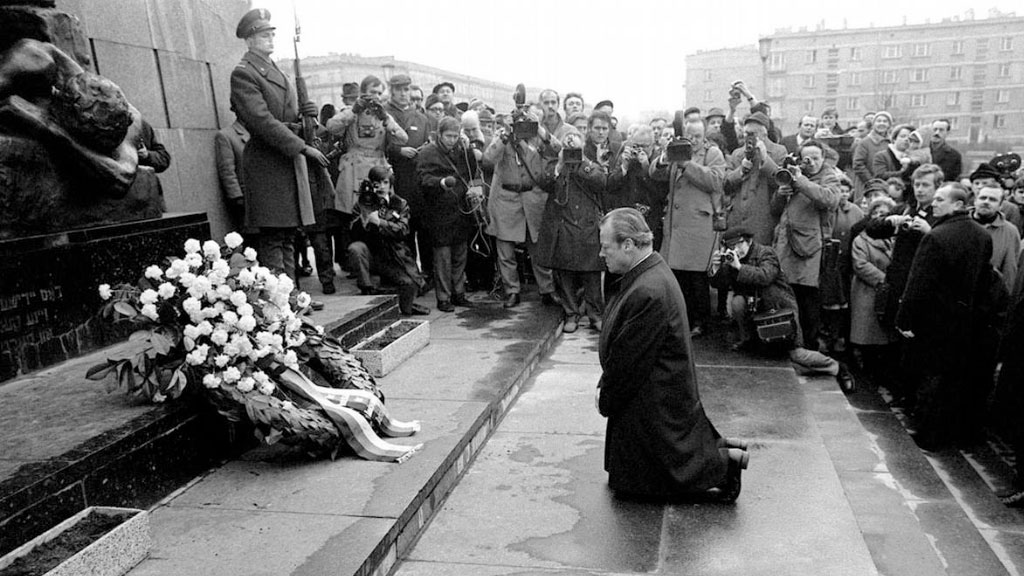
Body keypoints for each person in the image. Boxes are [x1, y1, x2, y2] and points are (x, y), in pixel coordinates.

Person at [597, 207, 748, 502]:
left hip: (654, 397)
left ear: (628, 245)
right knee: (629, 481)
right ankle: (721, 449)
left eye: (606, 247)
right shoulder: (650, 272)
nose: (602, 254)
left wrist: (606, 396)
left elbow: (629, 364)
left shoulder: (647, 290)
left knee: (653, 480)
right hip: (655, 390)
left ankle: (724, 465)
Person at [229, 8, 327, 281]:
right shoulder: (244, 73)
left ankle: (291, 295)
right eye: (263, 35)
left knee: (288, 234)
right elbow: (261, 121)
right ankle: (281, 302)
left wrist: (306, 112)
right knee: (273, 236)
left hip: (284, 160)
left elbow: (286, 113)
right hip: (268, 162)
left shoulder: (275, 71)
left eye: (271, 33)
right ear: (249, 40)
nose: (270, 38)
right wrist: (301, 146)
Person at [896, 182, 993, 451]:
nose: (935, 203)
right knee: (955, 379)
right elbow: (983, 281)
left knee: (932, 378)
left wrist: (904, 319)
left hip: (934, 320)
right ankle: (953, 433)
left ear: (958, 205)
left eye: (941, 199)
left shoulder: (937, 236)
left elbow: (918, 282)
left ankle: (929, 434)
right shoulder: (982, 235)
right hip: (966, 319)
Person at [709, 226, 852, 389]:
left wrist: (740, 268)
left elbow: (765, 276)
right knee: (737, 302)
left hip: (780, 312)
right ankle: (747, 340)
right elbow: (719, 284)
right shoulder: (732, 260)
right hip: (756, 315)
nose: (734, 251)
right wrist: (715, 268)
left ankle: (837, 368)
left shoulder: (766, 253)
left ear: (747, 241)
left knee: (797, 355)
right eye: (730, 247)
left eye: (737, 246)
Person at [650, 119, 726, 337]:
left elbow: (716, 182)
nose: (693, 140)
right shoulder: (678, 151)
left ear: (704, 136)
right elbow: (655, 174)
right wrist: (665, 157)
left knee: (697, 278)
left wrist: (686, 164)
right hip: (676, 225)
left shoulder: (713, 154)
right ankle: (682, 320)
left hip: (698, 225)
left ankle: (701, 322)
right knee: (678, 276)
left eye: (697, 136)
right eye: (689, 135)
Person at [484, 106, 561, 308]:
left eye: (528, 122)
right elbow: (488, 159)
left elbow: (558, 149)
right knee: (506, 251)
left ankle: (547, 290)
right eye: (521, 122)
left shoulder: (538, 138)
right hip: (507, 200)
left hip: (533, 199)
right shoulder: (504, 137)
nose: (523, 126)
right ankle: (511, 291)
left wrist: (540, 130)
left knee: (538, 249)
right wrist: (506, 134)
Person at [535, 128, 607, 332]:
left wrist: (581, 160)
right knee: (565, 273)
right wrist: (560, 163)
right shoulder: (556, 162)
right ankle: (571, 314)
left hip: (588, 227)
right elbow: (544, 182)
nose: (571, 141)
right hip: (563, 226)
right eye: (567, 138)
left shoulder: (592, 162)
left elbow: (601, 182)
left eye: (575, 137)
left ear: (583, 142)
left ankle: (595, 315)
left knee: (592, 274)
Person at [770, 139, 839, 348]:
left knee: (808, 302)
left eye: (816, 158)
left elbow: (830, 200)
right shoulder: (792, 174)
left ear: (823, 159)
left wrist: (800, 181)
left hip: (810, 249)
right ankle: (790, 344)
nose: (811, 162)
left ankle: (809, 347)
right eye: (807, 158)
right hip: (786, 245)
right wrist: (780, 195)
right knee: (787, 299)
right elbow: (775, 210)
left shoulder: (828, 177)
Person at [416, 117, 481, 312]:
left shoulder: (462, 151)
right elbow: (422, 179)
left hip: (460, 211)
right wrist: (441, 182)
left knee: (460, 255)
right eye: (448, 136)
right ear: (439, 135)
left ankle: (458, 293)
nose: (452, 140)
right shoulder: (428, 152)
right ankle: (443, 297)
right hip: (439, 212)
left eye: (455, 136)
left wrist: (468, 149)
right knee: (443, 258)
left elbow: (472, 172)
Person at [347, 166, 429, 316]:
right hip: (372, 254)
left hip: (393, 255)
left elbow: (403, 230)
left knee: (409, 286)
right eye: (377, 183)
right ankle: (367, 290)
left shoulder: (399, 203)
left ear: (390, 184)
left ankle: (404, 305)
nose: (382, 187)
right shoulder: (362, 203)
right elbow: (351, 234)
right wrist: (363, 221)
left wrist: (381, 223)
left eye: (385, 182)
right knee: (356, 248)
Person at [384, 73, 433, 287]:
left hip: (418, 182)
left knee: (424, 230)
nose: (404, 94)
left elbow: (430, 145)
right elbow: (379, 146)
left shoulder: (420, 118)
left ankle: (428, 274)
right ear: (391, 91)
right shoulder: (384, 115)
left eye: (406, 89)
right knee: (403, 231)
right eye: (399, 89)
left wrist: (423, 151)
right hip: (396, 180)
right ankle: (410, 276)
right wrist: (398, 150)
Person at [849, 197, 900, 389]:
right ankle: (867, 371)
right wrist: (885, 280)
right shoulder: (861, 239)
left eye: (884, 214)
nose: (880, 218)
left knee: (884, 336)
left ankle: (880, 372)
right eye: (876, 214)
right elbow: (860, 264)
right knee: (869, 333)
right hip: (868, 291)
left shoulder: (893, 239)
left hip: (887, 293)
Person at [723, 111, 786, 246]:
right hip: (737, 221)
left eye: (752, 134)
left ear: (764, 134)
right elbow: (725, 185)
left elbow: (781, 183)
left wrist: (765, 159)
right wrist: (740, 171)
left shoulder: (778, 151)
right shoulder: (737, 153)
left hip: (763, 222)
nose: (747, 137)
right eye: (745, 133)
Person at [973, 186, 1020, 292]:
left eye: (992, 199)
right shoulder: (959, 223)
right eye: (982, 198)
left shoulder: (1010, 232)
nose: (986, 202)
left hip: (987, 295)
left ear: (1001, 206)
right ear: (975, 201)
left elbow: (1009, 271)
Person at [214, 114, 249, 231]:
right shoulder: (226, 135)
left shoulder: (263, 133)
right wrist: (237, 197)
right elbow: (227, 170)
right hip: (247, 201)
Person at [852, 110, 892, 191]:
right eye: (879, 121)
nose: (882, 123)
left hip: (888, 185)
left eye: (885, 121)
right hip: (867, 185)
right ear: (873, 125)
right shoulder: (865, 142)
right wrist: (872, 182)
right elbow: (858, 164)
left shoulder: (892, 143)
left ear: (889, 125)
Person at [872, 123, 918, 192]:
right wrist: (903, 173)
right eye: (902, 136)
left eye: (910, 138)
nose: (906, 139)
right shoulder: (881, 156)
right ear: (894, 139)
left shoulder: (916, 157)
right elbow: (880, 175)